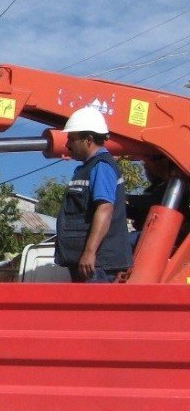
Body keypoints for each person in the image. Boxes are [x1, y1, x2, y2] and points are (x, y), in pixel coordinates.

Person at [54, 106, 131, 282]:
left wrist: (89, 253)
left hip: (97, 264)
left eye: (72, 139)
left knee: (93, 310)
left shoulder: (101, 166)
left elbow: (105, 209)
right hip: (91, 264)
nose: (67, 145)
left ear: (88, 140)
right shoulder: (89, 168)